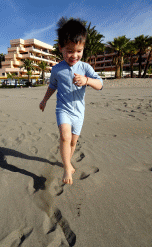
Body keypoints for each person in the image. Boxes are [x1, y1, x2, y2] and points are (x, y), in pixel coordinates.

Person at [39, 18, 103, 185]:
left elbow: (100, 84)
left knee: (73, 141)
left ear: (83, 48)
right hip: (63, 109)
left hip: (79, 112)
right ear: (60, 48)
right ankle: (67, 166)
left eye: (79, 51)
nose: (74, 55)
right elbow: (52, 86)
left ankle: (67, 160)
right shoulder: (57, 69)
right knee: (65, 136)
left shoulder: (85, 68)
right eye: (69, 51)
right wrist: (44, 100)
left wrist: (87, 80)